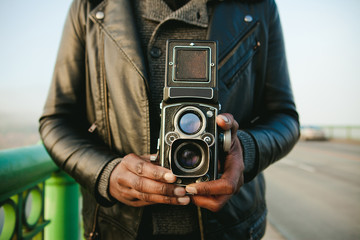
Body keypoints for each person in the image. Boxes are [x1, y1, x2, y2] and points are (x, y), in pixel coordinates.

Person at [39, 0, 299, 239]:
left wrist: (245, 150)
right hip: (121, 227)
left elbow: (284, 116)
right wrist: (107, 173)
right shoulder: (91, 5)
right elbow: (56, 119)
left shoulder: (257, 5)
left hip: (228, 227)